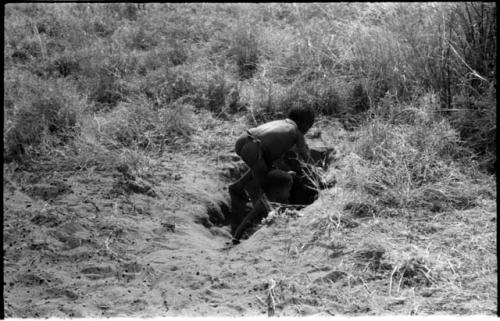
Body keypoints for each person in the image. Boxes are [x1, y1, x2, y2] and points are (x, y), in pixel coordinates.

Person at [229, 106, 315, 238]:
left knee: (264, 164)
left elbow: (278, 158)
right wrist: (315, 172)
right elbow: (306, 156)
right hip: (255, 148)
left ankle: (238, 186)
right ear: (305, 124)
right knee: (264, 187)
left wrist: (286, 171)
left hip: (244, 138)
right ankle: (256, 217)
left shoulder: (282, 124)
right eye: (309, 127)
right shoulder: (297, 133)